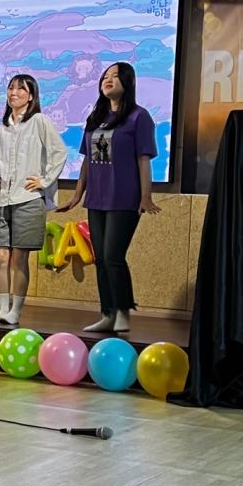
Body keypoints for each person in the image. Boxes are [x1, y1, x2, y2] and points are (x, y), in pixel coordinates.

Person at [58, 62, 160, 333]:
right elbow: (87, 162)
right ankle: (107, 313)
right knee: (101, 258)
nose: (108, 79)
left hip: (125, 198)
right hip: (97, 198)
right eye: (105, 76)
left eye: (115, 76)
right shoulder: (96, 117)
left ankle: (123, 311)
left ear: (128, 82)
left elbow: (144, 159)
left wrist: (146, 197)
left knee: (114, 256)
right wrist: (77, 195)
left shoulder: (139, 117)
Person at [0, 74, 67, 325]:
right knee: (1, 257)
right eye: (11, 88)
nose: (14, 92)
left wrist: (44, 180)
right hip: (3, 201)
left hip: (29, 199)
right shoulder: (1, 129)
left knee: (20, 258)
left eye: (21, 89)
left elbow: (59, 152)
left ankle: (15, 311)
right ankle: (2, 308)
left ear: (31, 96)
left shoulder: (39, 121)